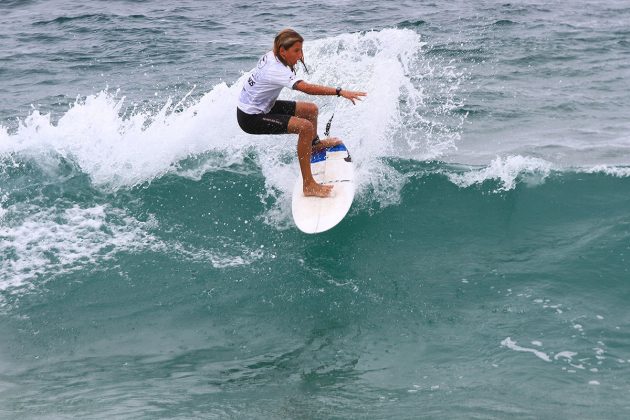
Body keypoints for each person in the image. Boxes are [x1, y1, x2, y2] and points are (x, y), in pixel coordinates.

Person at [237, 28, 367, 198]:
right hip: (250, 117)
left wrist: (296, 54)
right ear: (283, 51)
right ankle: (309, 185)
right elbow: (306, 88)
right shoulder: (276, 69)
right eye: (296, 51)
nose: (300, 55)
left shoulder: (274, 53)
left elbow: (282, 36)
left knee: (310, 110)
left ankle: (314, 146)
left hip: (262, 104)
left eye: (301, 50)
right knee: (305, 127)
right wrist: (339, 91)